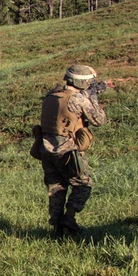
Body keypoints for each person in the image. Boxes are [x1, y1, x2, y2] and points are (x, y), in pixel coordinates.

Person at [39, 64, 107, 236]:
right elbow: (99, 120)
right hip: (68, 151)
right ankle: (69, 217)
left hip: (46, 149)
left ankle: (56, 227)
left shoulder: (51, 95)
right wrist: (93, 100)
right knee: (83, 184)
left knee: (56, 187)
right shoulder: (77, 99)